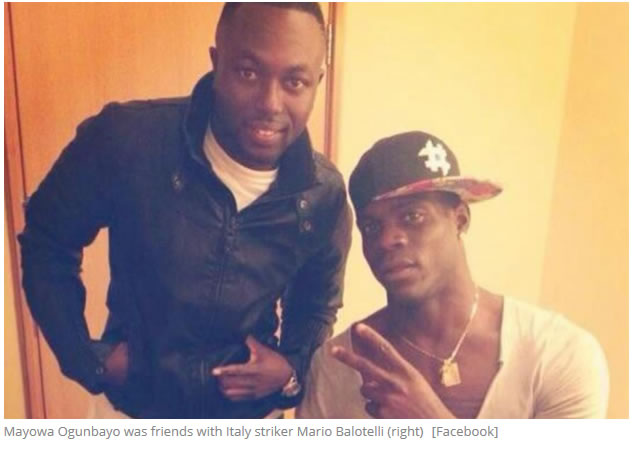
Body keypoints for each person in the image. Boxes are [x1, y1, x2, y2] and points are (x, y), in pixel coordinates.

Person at [19, 2, 351, 419]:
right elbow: (47, 240)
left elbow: (317, 303)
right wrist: (88, 359)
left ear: (317, 82)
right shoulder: (128, 140)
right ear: (216, 62)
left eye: (295, 82)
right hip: (132, 414)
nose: (271, 102)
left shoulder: (322, 193)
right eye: (248, 72)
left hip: (249, 420)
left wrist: (291, 367)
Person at [296, 131, 609, 419]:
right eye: (371, 226)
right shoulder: (336, 366)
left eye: (412, 216)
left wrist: (433, 423)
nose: (387, 239)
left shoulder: (558, 355)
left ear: (460, 219)